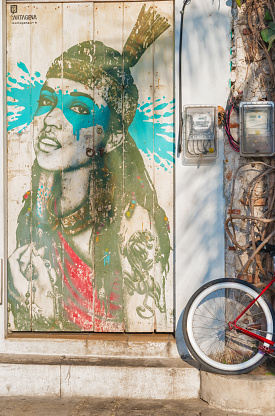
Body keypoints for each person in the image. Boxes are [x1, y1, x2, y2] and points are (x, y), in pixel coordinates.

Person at [7, 5, 171, 332]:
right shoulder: (31, 213)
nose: (52, 119)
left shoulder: (133, 227)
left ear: (109, 139)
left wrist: (46, 308)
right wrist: (20, 292)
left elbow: (141, 331)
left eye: (79, 107)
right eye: (47, 101)